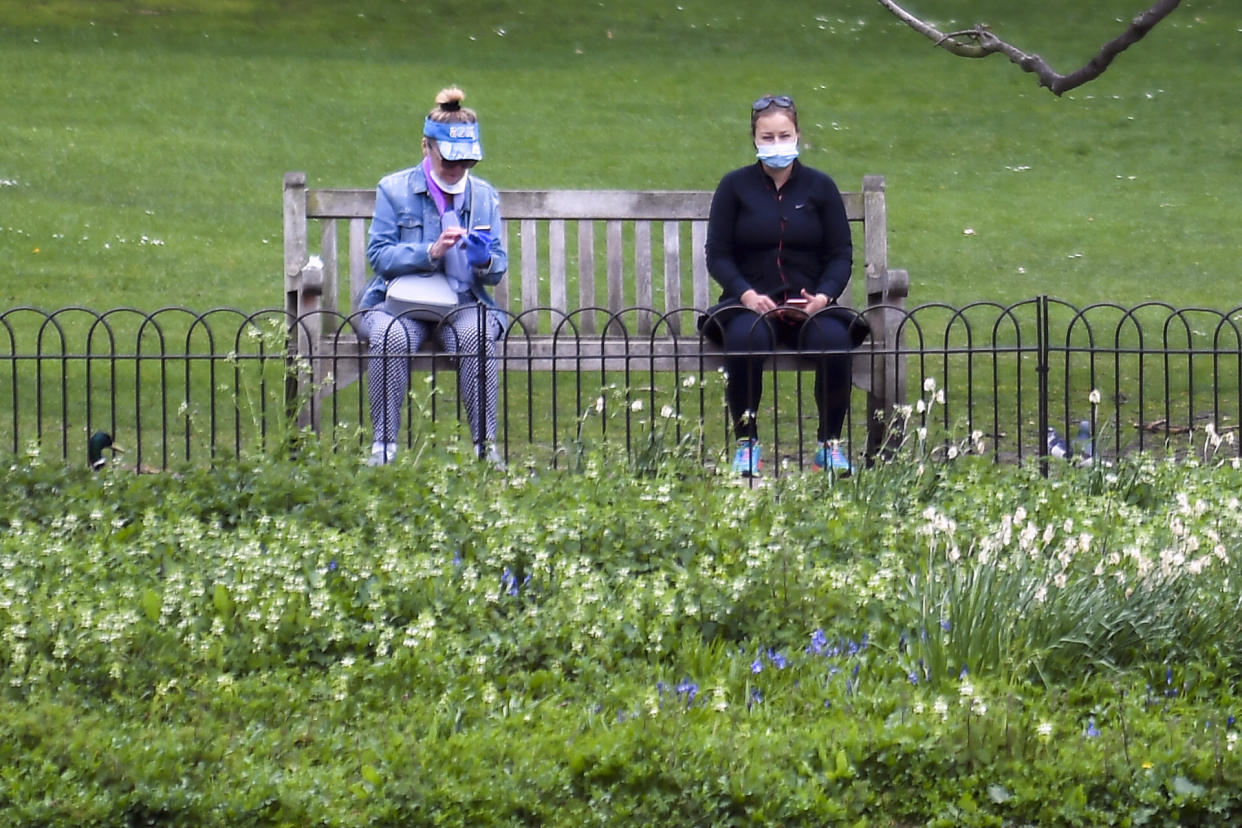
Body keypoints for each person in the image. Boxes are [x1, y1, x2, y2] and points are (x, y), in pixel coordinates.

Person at [701, 94, 865, 477]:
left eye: (784, 135)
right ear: (755, 140)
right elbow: (718, 254)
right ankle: (747, 444)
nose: (777, 145)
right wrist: (745, 293)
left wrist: (824, 295)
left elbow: (841, 253)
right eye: (768, 137)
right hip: (750, 304)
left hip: (809, 305)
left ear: (798, 135)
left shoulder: (821, 188)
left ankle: (830, 445)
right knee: (746, 340)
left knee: (835, 341)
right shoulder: (734, 187)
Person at [356, 87, 508, 467]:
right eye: (449, 161)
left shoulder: (484, 196)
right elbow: (379, 256)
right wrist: (431, 251)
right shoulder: (394, 189)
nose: (458, 170)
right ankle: (385, 448)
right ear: (427, 148)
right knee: (388, 337)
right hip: (399, 303)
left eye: (467, 162)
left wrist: (484, 260)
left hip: (461, 303)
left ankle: (484, 450)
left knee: (478, 335)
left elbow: (498, 269)